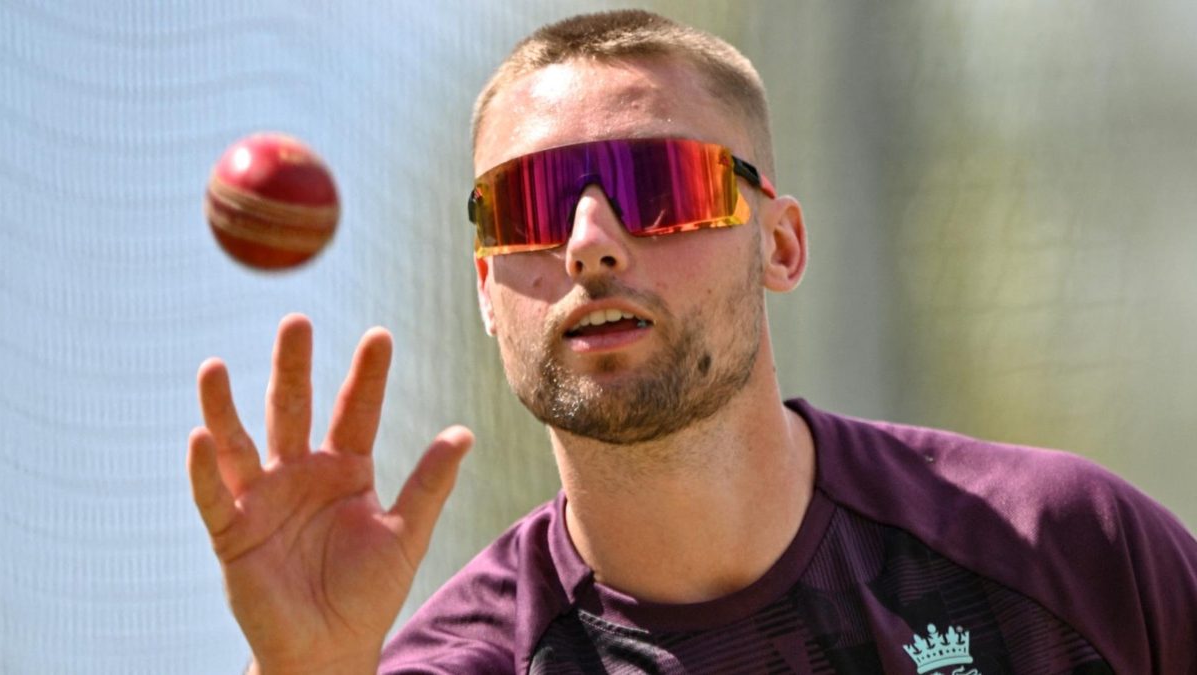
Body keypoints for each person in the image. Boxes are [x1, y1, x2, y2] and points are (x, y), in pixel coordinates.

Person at [187, 9, 1197, 674]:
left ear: (782, 243)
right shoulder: (466, 663)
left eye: (654, 190)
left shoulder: (1066, 550)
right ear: (488, 290)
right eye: (530, 205)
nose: (588, 244)